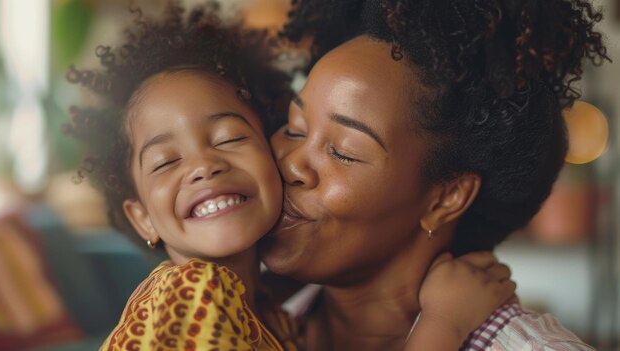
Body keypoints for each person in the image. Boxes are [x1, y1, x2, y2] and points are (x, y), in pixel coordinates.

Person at [65, 2, 516, 350]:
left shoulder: (268, 315)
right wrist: (443, 324)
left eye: (228, 139)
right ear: (142, 218)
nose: (204, 164)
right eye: (165, 162)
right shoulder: (190, 297)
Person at [260, 0, 610, 350]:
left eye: (343, 152)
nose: (292, 165)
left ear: (447, 197)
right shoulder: (248, 322)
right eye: (294, 129)